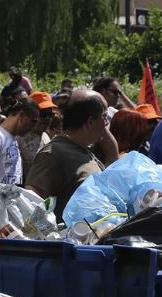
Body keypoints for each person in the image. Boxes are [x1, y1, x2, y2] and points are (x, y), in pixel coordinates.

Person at [25, 89, 107, 222]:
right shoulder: (52, 155)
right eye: (104, 117)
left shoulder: (84, 151)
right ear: (90, 121)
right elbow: (29, 208)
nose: (107, 123)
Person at [0, 98, 39, 185]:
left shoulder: (13, 139)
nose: (33, 127)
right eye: (33, 121)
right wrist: (0, 198)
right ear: (21, 115)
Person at [18, 92, 54, 180]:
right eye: (43, 114)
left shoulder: (45, 136)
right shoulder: (18, 137)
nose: (48, 118)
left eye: (50, 114)